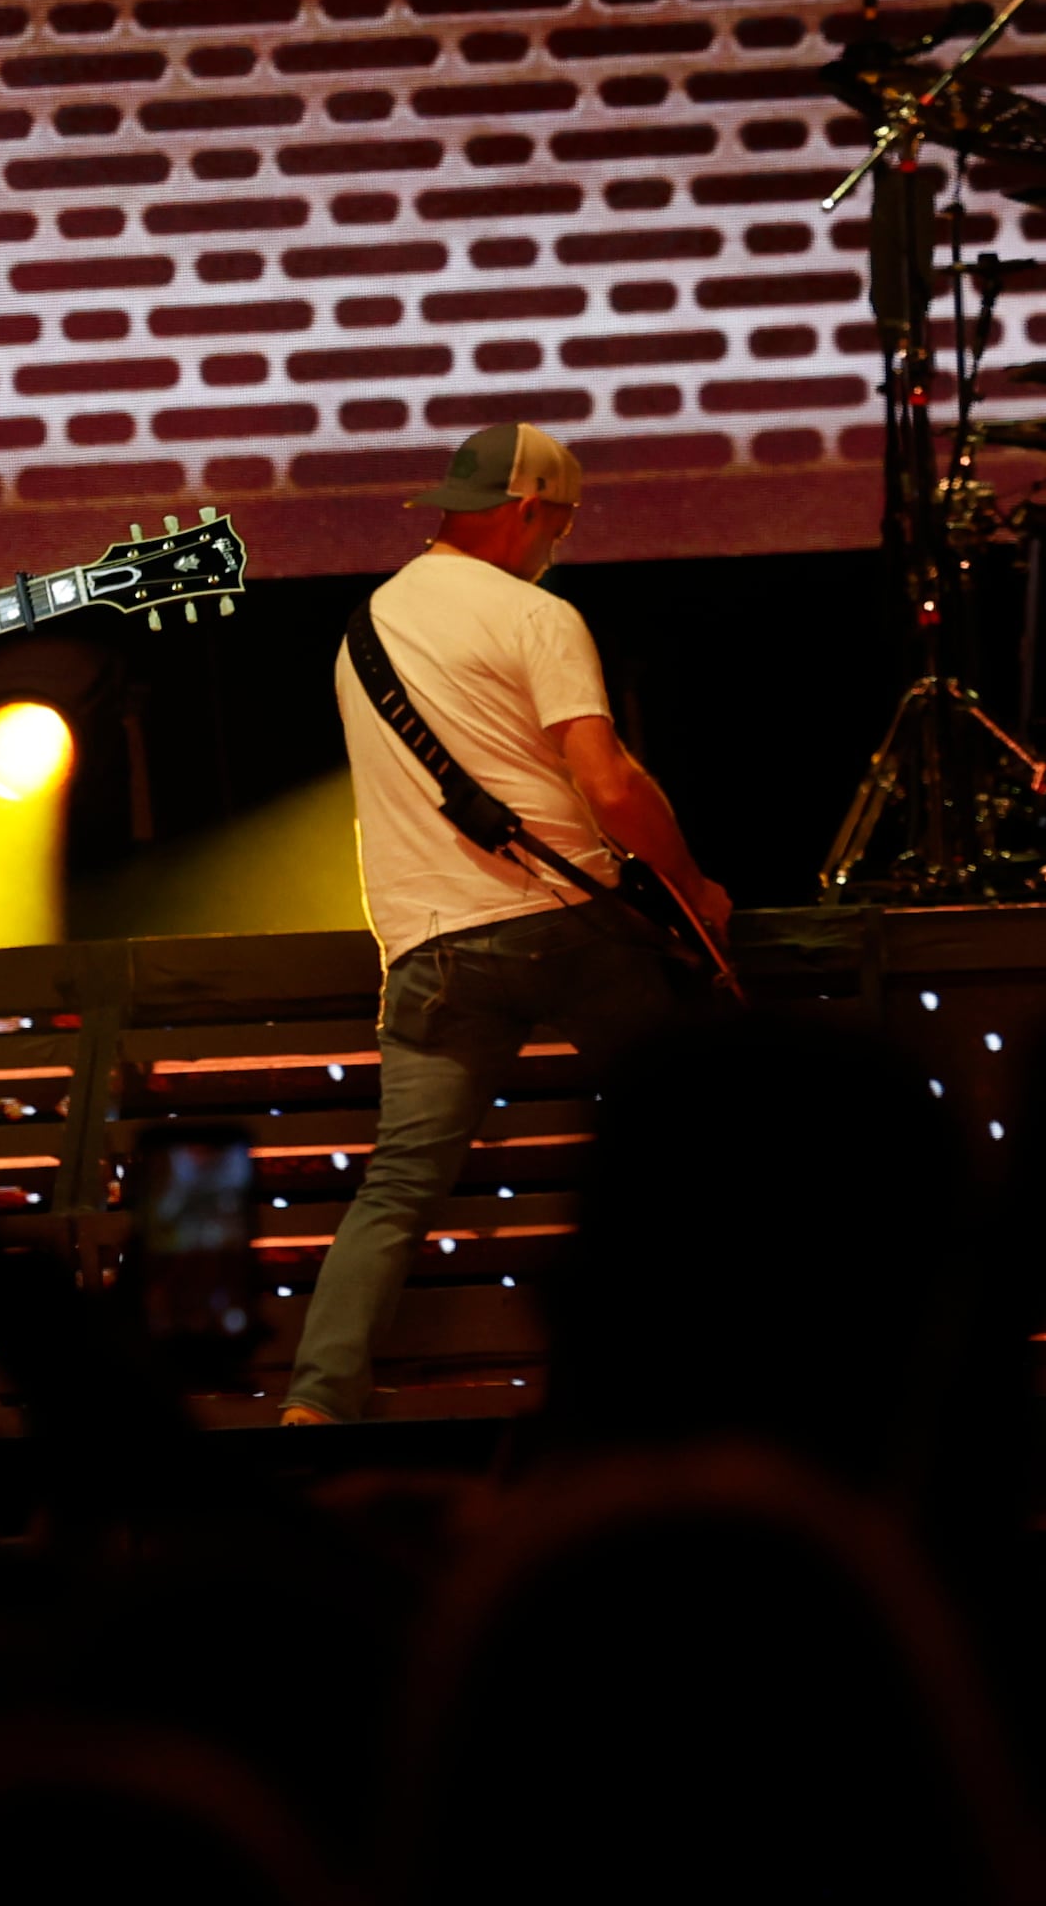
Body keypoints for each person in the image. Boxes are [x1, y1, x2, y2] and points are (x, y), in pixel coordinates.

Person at [291, 422, 728, 1426]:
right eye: (561, 522)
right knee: (701, 1135)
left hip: (430, 952)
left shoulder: (363, 630)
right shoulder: (538, 615)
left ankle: (315, 1407)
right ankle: (727, 1384)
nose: (560, 543)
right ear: (529, 508)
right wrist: (695, 885)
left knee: (395, 1192)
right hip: (563, 925)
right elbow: (607, 785)